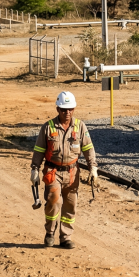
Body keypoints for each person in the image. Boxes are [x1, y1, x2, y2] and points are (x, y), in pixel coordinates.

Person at [30, 91, 97, 248]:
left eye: (70, 109)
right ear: (57, 109)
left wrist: (93, 167)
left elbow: (88, 148)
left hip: (72, 172)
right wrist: (34, 169)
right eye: (63, 109)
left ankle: (66, 237)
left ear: (74, 109)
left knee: (70, 204)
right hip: (53, 172)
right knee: (54, 201)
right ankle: (50, 233)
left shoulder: (80, 126)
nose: (67, 113)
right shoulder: (48, 127)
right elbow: (39, 150)